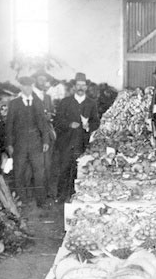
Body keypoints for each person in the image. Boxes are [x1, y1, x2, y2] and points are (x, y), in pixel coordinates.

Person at [53, 72, 100, 202]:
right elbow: (57, 121)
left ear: (86, 87)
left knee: (79, 170)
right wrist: (69, 124)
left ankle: (77, 197)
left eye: (83, 85)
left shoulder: (91, 103)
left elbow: (96, 122)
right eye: (78, 85)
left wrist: (89, 126)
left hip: (82, 143)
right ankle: (61, 196)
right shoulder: (65, 102)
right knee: (64, 169)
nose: (80, 88)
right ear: (74, 86)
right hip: (66, 142)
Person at [6, 75, 50, 207]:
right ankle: (21, 200)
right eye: (25, 86)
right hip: (19, 143)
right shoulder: (14, 103)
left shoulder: (38, 102)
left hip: (36, 142)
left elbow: (43, 123)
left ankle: (41, 201)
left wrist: (45, 140)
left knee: (39, 172)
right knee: (18, 172)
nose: (28, 88)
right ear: (20, 87)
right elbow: (9, 125)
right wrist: (9, 144)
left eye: (30, 86)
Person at [33, 72, 57, 199]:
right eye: (41, 79)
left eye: (45, 80)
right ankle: (37, 193)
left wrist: (50, 116)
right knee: (36, 166)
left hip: (47, 134)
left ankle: (47, 191)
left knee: (48, 164)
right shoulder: (29, 97)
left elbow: (51, 113)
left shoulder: (47, 97)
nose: (43, 82)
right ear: (35, 80)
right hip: (34, 136)